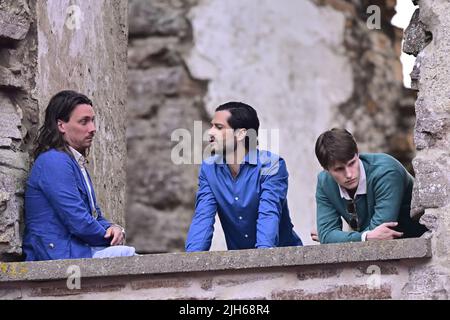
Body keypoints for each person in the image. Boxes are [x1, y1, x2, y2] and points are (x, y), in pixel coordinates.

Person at [23, 90, 135, 261]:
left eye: (92, 121)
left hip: (75, 252)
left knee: (133, 260)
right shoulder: (54, 161)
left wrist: (114, 228)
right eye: (84, 122)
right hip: (56, 257)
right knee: (132, 260)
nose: (93, 129)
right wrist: (110, 239)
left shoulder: (74, 161)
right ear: (61, 125)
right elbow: (78, 221)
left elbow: (94, 215)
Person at [185, 102, 302, 252]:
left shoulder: (271, 165)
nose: (210, 132)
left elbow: (268, 214)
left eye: (219, 127)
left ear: (240, 134)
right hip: (240, 266)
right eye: (212, 126)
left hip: (284, 261)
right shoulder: (209, 169)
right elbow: (203, 218)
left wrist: (262, 258)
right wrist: (192, 262)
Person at [313, 128, 428, 244]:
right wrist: (364, 236)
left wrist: (338, 237)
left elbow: (380, 232)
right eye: (339, 169)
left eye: (352, 163)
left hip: (421, 245)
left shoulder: (386, 171)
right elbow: (327, 235)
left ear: (357, 153)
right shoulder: (324, 182)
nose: (349, 174)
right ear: (326, 169)